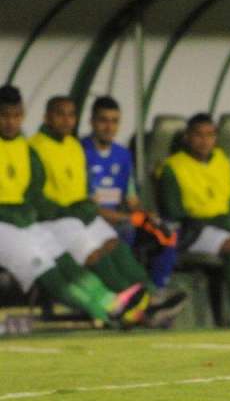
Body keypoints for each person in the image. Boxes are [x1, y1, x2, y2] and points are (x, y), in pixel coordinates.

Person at [0, 86, 146, 326]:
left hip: (25, 224)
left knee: (62, 260)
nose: (10, 122)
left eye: (16, 116)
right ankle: (104, 312)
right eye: (4, 115)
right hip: (4, 227)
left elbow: (33, 192)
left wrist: (28, 211)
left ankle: (112, 302)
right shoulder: (37, 146)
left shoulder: (25, 150)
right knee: (45, 268)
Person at [30, 96, 155, 316]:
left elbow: (85, 190)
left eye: (71, 115)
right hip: (55, 220)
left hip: (81, 215)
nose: (67, 120)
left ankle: (150, 296)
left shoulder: (74, 146)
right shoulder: (34, 148)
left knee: (116, 245)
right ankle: (129, 305)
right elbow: (35, 197)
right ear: (46, 117)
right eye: (60, 114)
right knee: (94, 253)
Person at [157, 113, 230, 328]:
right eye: (199, 135)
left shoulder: (222, 161)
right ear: (187, 137)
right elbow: (173, 213)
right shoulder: (172, 167)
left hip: (224, 225)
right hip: (194, 231)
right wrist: (216, 223)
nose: (204, 141)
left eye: (210, 135)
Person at [82, 95, 184, 327]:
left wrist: (147, 217)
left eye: (114, 121)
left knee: (167, 232)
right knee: (126, 230)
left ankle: (157, 293)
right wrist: (129, 218)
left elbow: (131, 198)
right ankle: (137, 302)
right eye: (103, 120)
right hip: (93, 220)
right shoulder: (81, 152)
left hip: (121, 217)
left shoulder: (123, 155)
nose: (109, 127)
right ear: (92, 122)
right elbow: (87, 204)